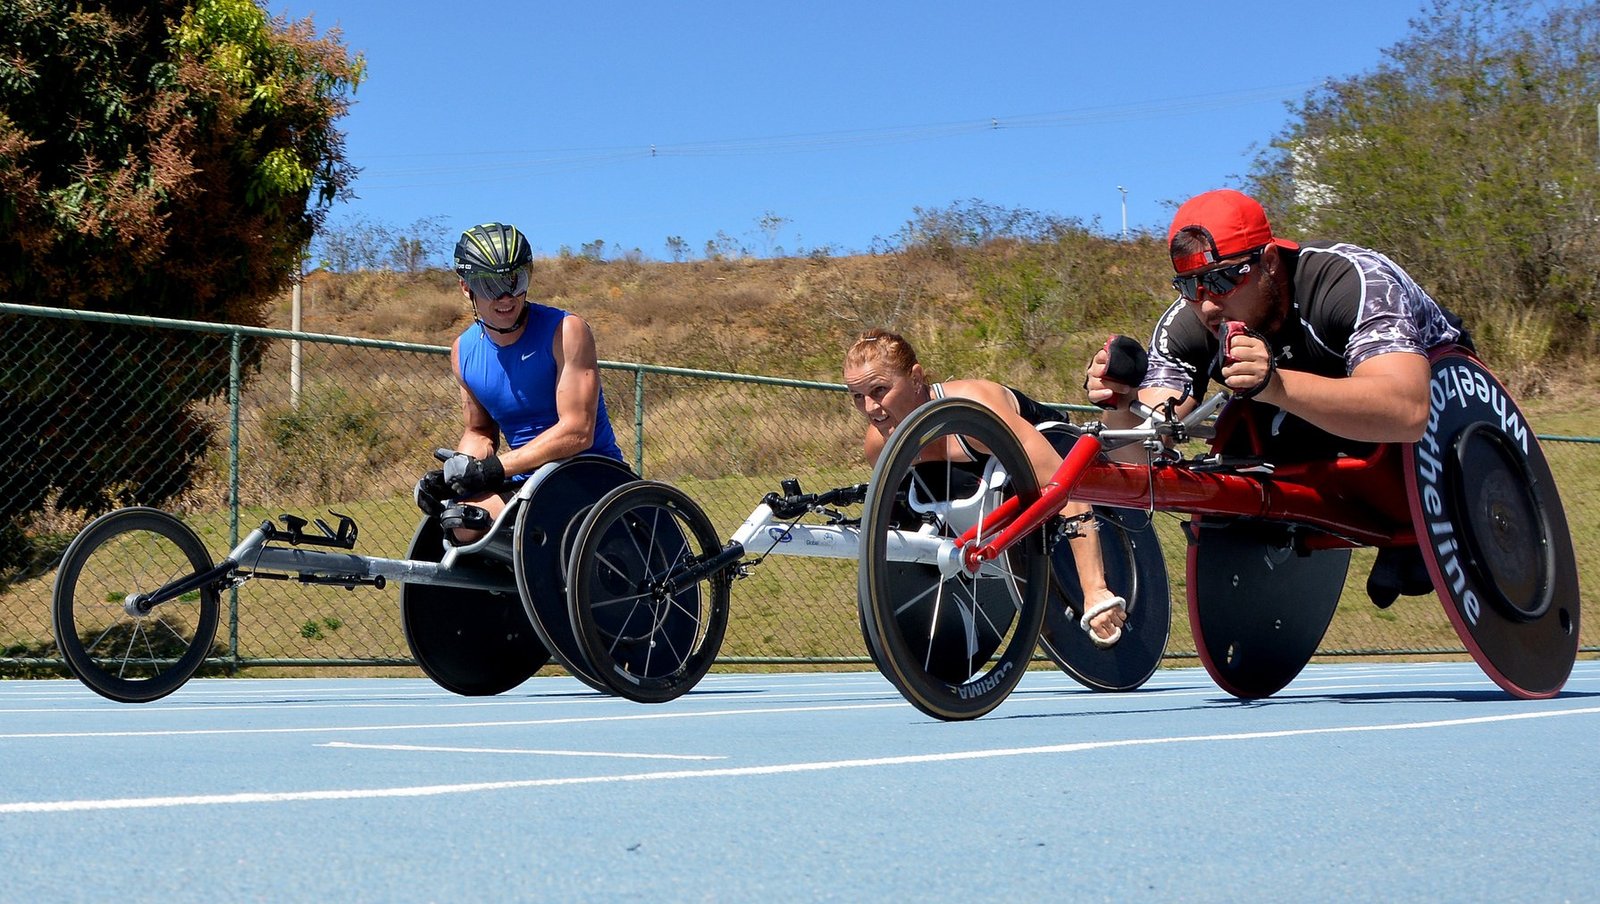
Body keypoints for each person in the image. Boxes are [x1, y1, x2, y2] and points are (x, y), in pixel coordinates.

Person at [1082, 188, 1470, 606]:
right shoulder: (1185, 326)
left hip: (1444, 422)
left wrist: (1276, 384)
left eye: (1223, 279)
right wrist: (1121, 405)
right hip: (1317, 426)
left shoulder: (1350, 280)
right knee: (1245, 427)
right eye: (1190, 286)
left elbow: (1408, 412)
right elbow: (1139, 454)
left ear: (1269, 261)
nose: (1208, 306)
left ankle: (1401, 531)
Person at [843, 329, 1128, 647]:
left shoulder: (975, 413)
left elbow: (1069, 494)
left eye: (879, 390)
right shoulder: (878, 445)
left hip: (1055, 461)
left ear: (916, 378)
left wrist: (1095, 590)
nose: (870, 408)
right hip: (985, 506)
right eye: (857, 396)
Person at [417, 222, 624, 541]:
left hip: (590, 479)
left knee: (484, 521)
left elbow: (578, 431)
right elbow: (479, 430)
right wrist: (453, 478)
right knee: (460, 521)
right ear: (465, 287)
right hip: (525, 482)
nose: (505, 297)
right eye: (489, 285)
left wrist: (494, 469)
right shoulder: (463, 352)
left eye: (515, 281)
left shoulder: (566, 331)